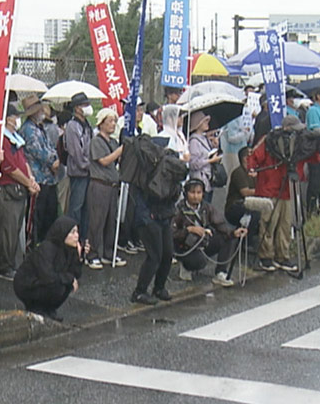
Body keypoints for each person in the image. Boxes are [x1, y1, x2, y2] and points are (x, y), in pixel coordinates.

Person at [245, 115, 318, 273]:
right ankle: (266, 256)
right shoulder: (270, 140)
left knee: (286, 224)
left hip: (288, 188)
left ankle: (282, 256)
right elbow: (254, 158)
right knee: (269, 223)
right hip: (269, 187)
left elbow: (312, 158)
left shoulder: (298, 142)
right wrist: (251, 168)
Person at [133, 104, 187, 306]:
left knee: (167, 254)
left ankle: (159, 287)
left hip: (164, 215)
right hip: (148, 217)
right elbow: (144, 196)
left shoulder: (167, 173)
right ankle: (139, 291)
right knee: (154, 255)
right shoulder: (145, 174)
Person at [0, 104, 40, 281]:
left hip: (21, 187)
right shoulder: (2, 139)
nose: (17, 119)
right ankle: (4, 265)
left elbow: (23, 161)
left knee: (16, 228)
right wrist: (28, 182)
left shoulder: (15, 137)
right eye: (15, 116)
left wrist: (31, 179)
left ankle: (11, 262)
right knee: (8, 229)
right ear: (8, 119)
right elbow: (10, 168)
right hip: (10, 188)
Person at [172, 179, 247, 287]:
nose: (195, 196)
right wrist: (189, 230)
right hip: (184, 247)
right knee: (200, 261)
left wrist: (233, 232)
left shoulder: (206, 207)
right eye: (192, 193)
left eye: (199, 193)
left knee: (229, 238)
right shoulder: (179, 209)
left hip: (203, 241)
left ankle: (221, 273)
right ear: (185, 193)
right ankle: (186, 266)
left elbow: (220, 224)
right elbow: (172, 234)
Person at [13, 215, 83, 322]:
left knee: (66, 284)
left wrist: (78, 257)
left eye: (77, 232)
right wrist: (69, 278)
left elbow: (76, 274)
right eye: (72, 232)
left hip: (44, 281)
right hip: (27, 284)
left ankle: (48, 309)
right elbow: (47, 276)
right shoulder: (47, 248)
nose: (76, 236)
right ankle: (36, 308)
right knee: (59, 285)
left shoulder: (69, 249)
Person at [84, 106, 125, 270]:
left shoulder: (113, 141)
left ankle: (109, 251)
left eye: (114, 121)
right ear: (101, 123)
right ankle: (92, 253)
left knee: (111, 220)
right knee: (97, 220)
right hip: (99, 185)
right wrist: (120, 151)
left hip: (112, 185)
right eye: (110, 121)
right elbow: (104, 161)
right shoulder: (96, 141)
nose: (113, 124)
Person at [20, 96, 60, 245]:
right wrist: (53, 161)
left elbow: (49, 146)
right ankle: (34, 244)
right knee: (37, 216)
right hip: (38, 178)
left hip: (48, 178)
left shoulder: (40, 127)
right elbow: (38, 152)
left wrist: (56, 158)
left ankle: (46, 243)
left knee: (49, 214)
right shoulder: (29, 130)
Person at [62, 92, 94, 235]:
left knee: (87, 209)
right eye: (84, 105)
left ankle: (83, 239)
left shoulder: (87, 125)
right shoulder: (72, 126)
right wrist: (88, 165)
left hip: (88, 173)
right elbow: (76, 153)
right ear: (77, 108)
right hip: (78, 173)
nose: (88, 107)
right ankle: (72, 238)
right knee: (76, 208)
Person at [186, 110, 221, 195]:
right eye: (204, 122)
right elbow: (193, 163)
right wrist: (209, 161)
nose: (207, 123)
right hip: (200, 180)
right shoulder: (194, 141)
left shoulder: (204, 138)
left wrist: (214, 146)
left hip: (208, 179)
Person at [224, 146, 257, 231]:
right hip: (235, 207)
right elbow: (245, 192)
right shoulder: (238, 172)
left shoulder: (254, 172)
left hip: (249, 204)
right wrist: (262, 191)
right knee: (255, 216)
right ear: (245, 158)